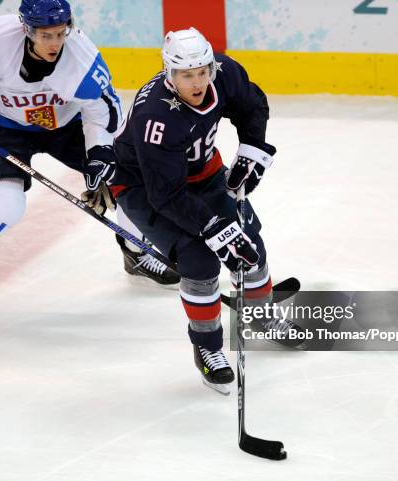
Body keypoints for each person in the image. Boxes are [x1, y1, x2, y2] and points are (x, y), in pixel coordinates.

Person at [0, 0, 164, 330]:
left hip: (66, 127)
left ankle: (136, 250)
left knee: (127, 178)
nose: (55, 43)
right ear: (26, 29)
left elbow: (102, 115)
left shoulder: (83, 61)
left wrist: (100, 155)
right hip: (4, 125)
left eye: (61, 33)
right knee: (6, 206)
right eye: (46, 35)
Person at [111, 27, 286, 394]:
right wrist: (214, 227)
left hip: (202, 172)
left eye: (202, 71)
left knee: (249, 244)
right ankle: (207, 348)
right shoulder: (156, 117)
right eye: (186, 75)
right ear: (169, 74)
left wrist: (251, 149)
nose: (197, 82)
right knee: (199, 261)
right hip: (146, 188)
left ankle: (262, 316)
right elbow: (167, 195)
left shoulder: (224, 72)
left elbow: (251, 103)